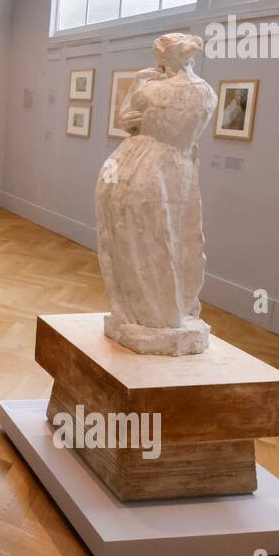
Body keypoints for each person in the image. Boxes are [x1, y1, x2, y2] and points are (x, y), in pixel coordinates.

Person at [94, 33, 218, 355]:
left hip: (141, 166)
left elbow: (125, 121)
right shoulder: (206, 92)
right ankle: (171, 308)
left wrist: (139, 82)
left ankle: (147, 311)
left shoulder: (151, 89)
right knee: (174, 235)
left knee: (139, 236)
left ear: (164, 57)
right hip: (180, 167)